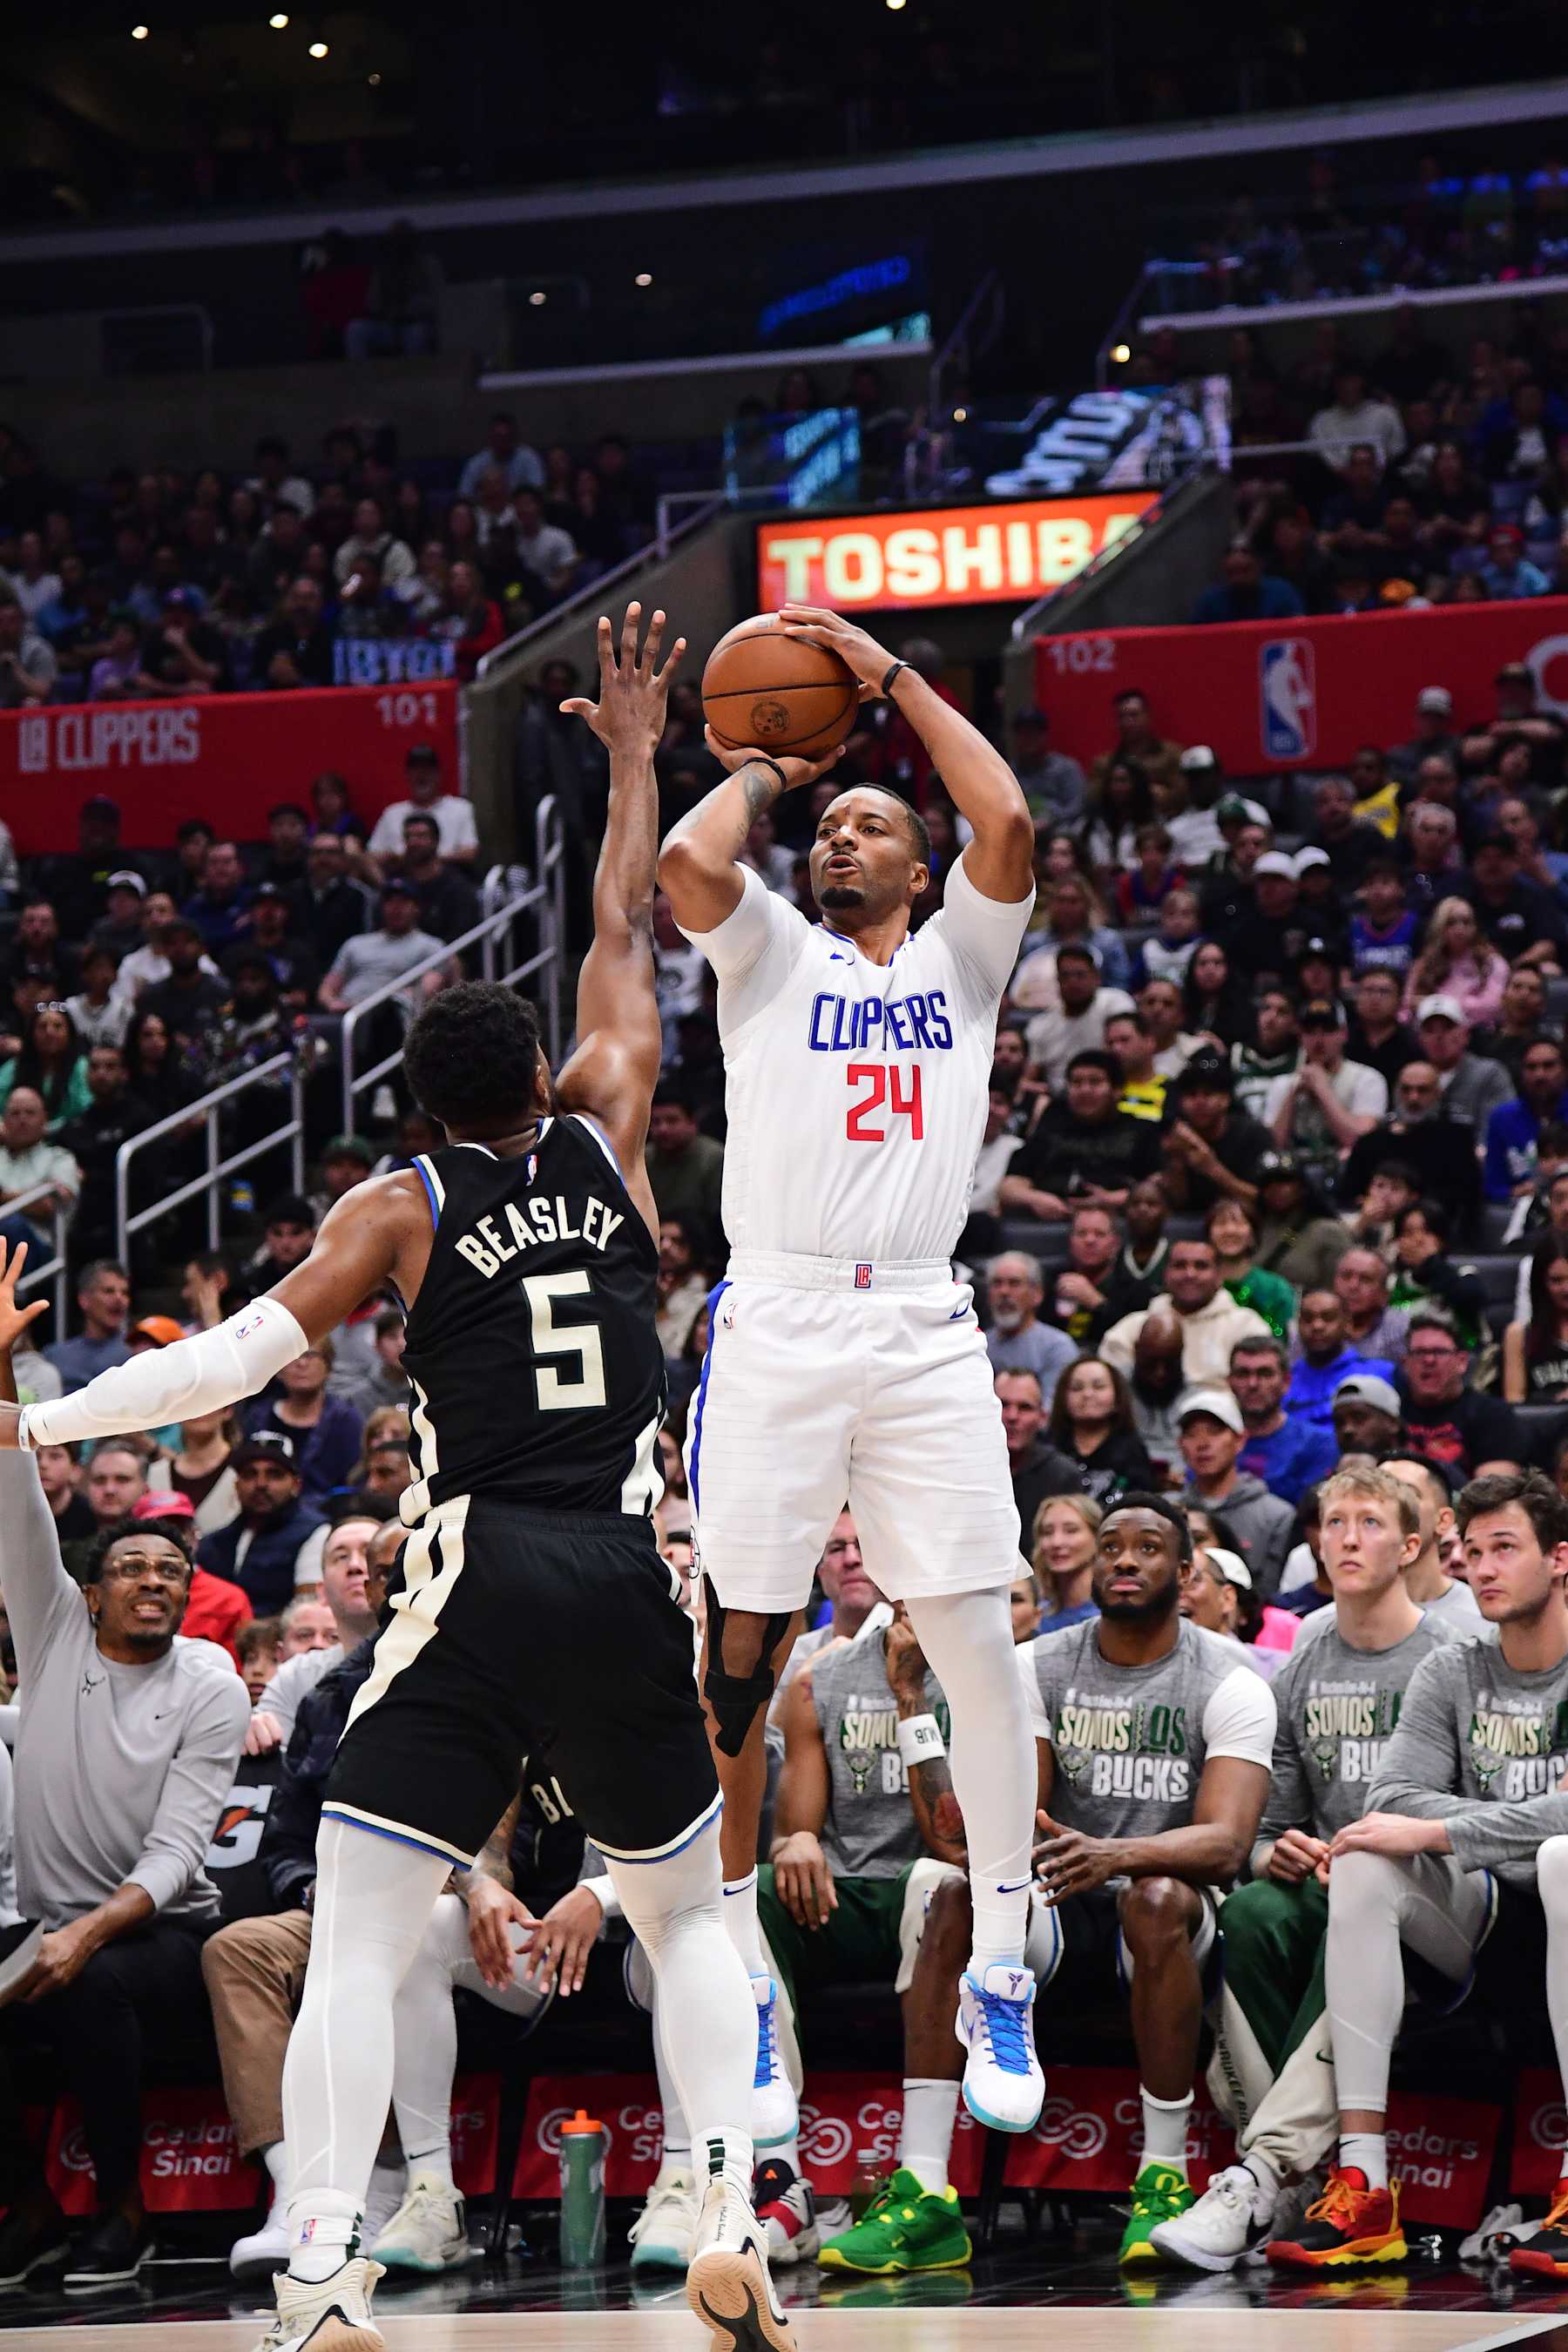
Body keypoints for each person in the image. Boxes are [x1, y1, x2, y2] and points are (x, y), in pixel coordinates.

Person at [0, 605, 802, 2352]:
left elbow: (227, 1364)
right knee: (690, 1916)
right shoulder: (613, 1121)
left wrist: (37, 1412)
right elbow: (618, 924)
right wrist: (636, 755)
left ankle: (315, 2285)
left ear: (422, 1110)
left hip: (480, 1574)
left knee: (356, 1933)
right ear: (545, 1078)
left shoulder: (401, 1205)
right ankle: (733, 2224)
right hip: (623, 1569)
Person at [660, 598, 1051, 2150]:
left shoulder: (965, 955)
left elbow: (1009, 812)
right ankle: (742, 1972)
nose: (842, 841)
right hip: (781, 1320)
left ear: (917, 865)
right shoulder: (763, 955)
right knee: (737, 1662)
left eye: (870, 823)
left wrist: (883, 683)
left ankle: (1005, 1953)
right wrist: (772, 761)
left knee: (974, 1636)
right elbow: (690, 867)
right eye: (830, 828)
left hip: (923, 1329)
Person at [821, 1494, 1274, 2275]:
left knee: (1157, 1898)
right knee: (954, 1895)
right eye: (1110, 1547)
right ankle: (925, 2192)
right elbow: (973, 1837)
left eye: (1147, 1548)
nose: (1125, 1560)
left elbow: (1227, 1845)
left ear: (1187, 1570)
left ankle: (1161, 2178)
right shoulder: (1039, 1665)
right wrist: (911, 1701)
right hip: (1060, 1900)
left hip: (1168, 1919)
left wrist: (1117, 1853)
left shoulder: (1231, 1680)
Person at [0, 1250, 250, 2289]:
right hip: (47, 1918)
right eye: (132, 1569)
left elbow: (179, 1848)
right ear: (89, 1595)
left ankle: (124, 2209)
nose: (155, 1582)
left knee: (90, 1982)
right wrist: (5, 1368)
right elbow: (13, 1495)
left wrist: (83, 1936)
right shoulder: (53, 1630)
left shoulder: (211, 1680)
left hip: (165, 1931)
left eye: (172, 1573)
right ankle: (31, 2206)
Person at [1152, 1462, 1457, 2273]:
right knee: (1252, 1909)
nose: (1348, 1539)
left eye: (1369, 1523)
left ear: (1411, 1545)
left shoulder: (1453, 1655)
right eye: (1333, 1524)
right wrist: (1271, 1851)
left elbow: (1471, 1816)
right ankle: (1280, 2177)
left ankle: (1262, 2175)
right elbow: (1266, 1826)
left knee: (1362, 1905)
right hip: (1326, 1885)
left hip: (1431, 1902)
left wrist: (1387, 1842)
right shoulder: (1302, 1660)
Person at [1274, 1471, 1568, 2268]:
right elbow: (1390, 1798)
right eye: (1472, 1552)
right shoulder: (1453, 1668)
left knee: (1563, 1856)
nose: (1485, 1568)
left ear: (1561, 1559)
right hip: (1486, 1919)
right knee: (1368, 1857)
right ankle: (1364, 2187)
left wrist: (1444, 1825)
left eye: (1506, 1547)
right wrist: (1484, 1824)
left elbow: (1449, 1817)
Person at [759, 1604, 963, 2263]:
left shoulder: (986, 1670)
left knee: (939, 1881)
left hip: (938, 1898)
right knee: (752, 1893)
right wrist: (793, 1843)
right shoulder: (823, 1679)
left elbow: (953, 1842)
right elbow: (796, 1826)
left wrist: (909, 1696)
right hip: (844, 1896)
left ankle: (919, 2182)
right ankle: (780, 2180)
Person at [999, 1049, 1161, 1218]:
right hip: (1052, 1221)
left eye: (1095, 1082)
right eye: (1076, 1082)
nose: (1085, 1090)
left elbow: (1159, 1187)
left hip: (1119, 1221)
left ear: (1117, 1090)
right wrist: (1036, 1199)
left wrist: (1113, 1199)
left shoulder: (1141, 1130)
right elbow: (1009, 1188)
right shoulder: (1051, 1126)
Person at [1101, 1235, 1272, 1390]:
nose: (1190, 1274)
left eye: (1201, 1266)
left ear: (1219, 1276)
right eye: (1180, 1266)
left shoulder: (1247, 1326)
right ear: (1165, 1274)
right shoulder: (1133, 1328)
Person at [1176, 1389, 1297, 1596]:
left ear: (1240, 1440)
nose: (1203, 1444)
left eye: (1214, 1431)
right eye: (1192, 1433)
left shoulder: (1276, 1516)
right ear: (1180, 1445)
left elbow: (1272, 1594)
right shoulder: (1169, 1512)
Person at [1263, 1001, 1387, 1192]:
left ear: (1344, 1033)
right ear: (1300, 1036)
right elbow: (1273, 1148)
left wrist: (1322, 1090)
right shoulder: (1282, 1084)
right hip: (1294, 1182)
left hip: (1347, 1181)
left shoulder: (1367, 1079)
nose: (1318, 1039)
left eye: (1328, 1030)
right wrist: (1291, 1097)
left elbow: (1360, 1141)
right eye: (1310, 1031)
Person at [1400, 1306, 1523, 1477]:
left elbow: (1496, 1493)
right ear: (1405, 1363)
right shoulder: (1390, 1413)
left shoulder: (1492, 1414)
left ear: (1462, 1362)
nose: (1429, 1360)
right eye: (1420, 1352)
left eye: (1439, 1352)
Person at [1381, 1453, 1485, 1629]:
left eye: (1406, 1495)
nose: (1385, 1507)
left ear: (1443, 1520)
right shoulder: (1334, 1623)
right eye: (1375, 1497)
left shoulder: (1484, 1620)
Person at [1231, 1336, 1337, 1507]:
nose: (1253, 1384)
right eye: (1243, 1374)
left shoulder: (1317, 1444)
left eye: (1265, 1373)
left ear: (1286, 1382)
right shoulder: (1216, 1444)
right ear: (1230, 1381)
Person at [1045, 1355, 1155, 1504]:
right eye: (1077, 1388)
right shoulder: (1049, 1446)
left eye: (1098, 1387)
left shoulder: (1133, 1450)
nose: (1087, 1394)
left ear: (1117, 1397)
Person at [1285, 1290, 1395, 1429]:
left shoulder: (1381, 1373)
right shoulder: (1285, 1381)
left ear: (1347, 1322)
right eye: (1308, 1318)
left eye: (1328, 1317)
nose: (1317, 1326)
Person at [996, 1368, 1084, 1536]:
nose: (1012, 1416)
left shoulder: (1063, 1475)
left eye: (1025, 1407)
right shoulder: (964, 1469)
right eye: (1003, 1405)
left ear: (1042, 1417)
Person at [984, 1253, 1078, 1401]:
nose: (1004, 1292)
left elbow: (1053, 1411)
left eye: (1014, 1283)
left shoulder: (1057, 1347)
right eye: (997, 1283)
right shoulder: (977, 1345)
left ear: (1037, 1294)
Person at [1487, 1036, 1568, 1203]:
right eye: (1531, 1067)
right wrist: (1515, 1192)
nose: (1540, 1075)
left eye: (1549, 1066)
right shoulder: (1502, 1118)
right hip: (1521, 1208)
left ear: (1565, 1069)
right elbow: (1492, 1187)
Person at [1206, 1199, 1294, 1342]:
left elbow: (1284, 1341)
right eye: (1221, 1223)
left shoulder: (1275, 1288)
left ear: (1253, 1235)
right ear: (1209, 1234)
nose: (1230, 1230)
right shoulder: (1197, 1284)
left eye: (1239, 1223)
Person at [645, 1083, 725, 1227]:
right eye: (656, 1122)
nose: (663, 1129)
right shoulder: (643, 1159)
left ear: (692, 1123)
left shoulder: (714, 1159)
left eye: (672, 1121)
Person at [1504, 1231, 1568, 1405]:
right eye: (1557, 1280)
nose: (1566, 1289)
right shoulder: (1518, 1335)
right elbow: (1515, 1404)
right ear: (1541, 1283)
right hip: (1542, 1430)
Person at [1033, 1491, 1105, 1633]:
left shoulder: (1114, 1614)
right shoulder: (1035, 1616)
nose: (1056, 1542)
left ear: (1098, 1537)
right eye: (1047, 1532)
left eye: (1071, 1530)